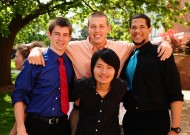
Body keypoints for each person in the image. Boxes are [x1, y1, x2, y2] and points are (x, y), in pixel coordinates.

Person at [27, 11, 173, 135]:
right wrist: (36, 50)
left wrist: (164, 43)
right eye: (93, 26)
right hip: (80, 113)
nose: (97, 31)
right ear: (87, 28)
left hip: (109, 114)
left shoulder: (122, 47)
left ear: (108, 28)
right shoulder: (72, 47)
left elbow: (142, 42)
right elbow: (54, 46)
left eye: (102, 26)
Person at [120, 13, 184, 135]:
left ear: (149, 30)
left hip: (156, 122)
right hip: (130, 121)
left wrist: (175, 129)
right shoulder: (127, 55)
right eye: (133, 27)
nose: (137, 31)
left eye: (142, 27)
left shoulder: (162, 54)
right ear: (129, 30)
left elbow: (174, 92)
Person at [11, 17, 74, 135]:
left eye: (65, 35)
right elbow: (20, 94)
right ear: (49, 34)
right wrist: (20, 128)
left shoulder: (70, 63)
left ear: (70, 37)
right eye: (57, 34)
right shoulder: (34, 61)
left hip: (62, 126)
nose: (61, 39)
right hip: (36, 125)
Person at [70, 48, 127, 135]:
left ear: (116, 70)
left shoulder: (121, 87)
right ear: (92, 68)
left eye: (109, 67)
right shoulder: (81, 86)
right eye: (99, 66)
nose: (104, 72)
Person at [10, 41, 46, 135]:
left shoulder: (30, 80)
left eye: (17, 56)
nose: (14, 59)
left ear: (27, 59)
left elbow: (24, 110)